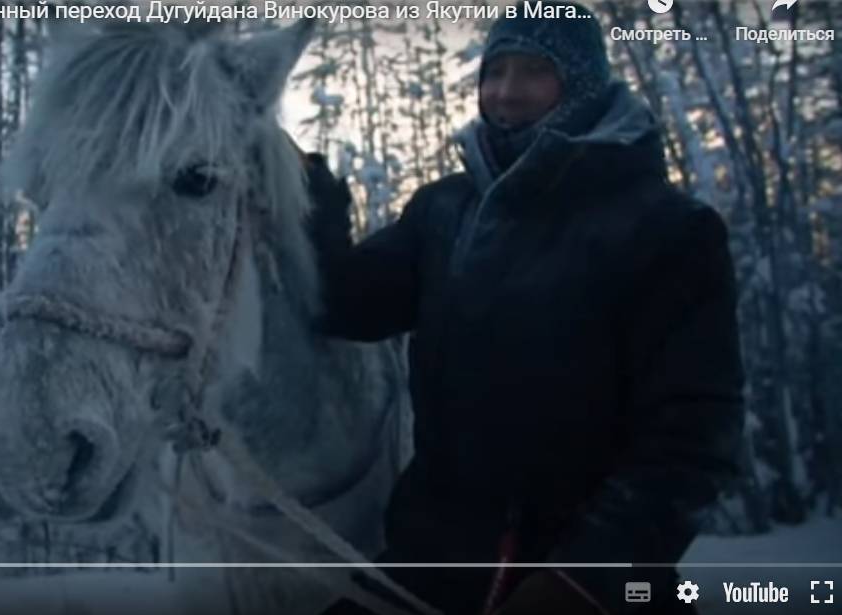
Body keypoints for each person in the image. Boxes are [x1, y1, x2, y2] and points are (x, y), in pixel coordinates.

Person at [305, 3, 745, 614]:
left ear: (583, 84)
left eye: (534, 71)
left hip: (586, 581)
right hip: (431, 563)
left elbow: (694, 440)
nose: (507, 93)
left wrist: (582, 579)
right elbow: (344, 304)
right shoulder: (444, 211)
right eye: (495, 71)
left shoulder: (667, 230)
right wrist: (307, 210)